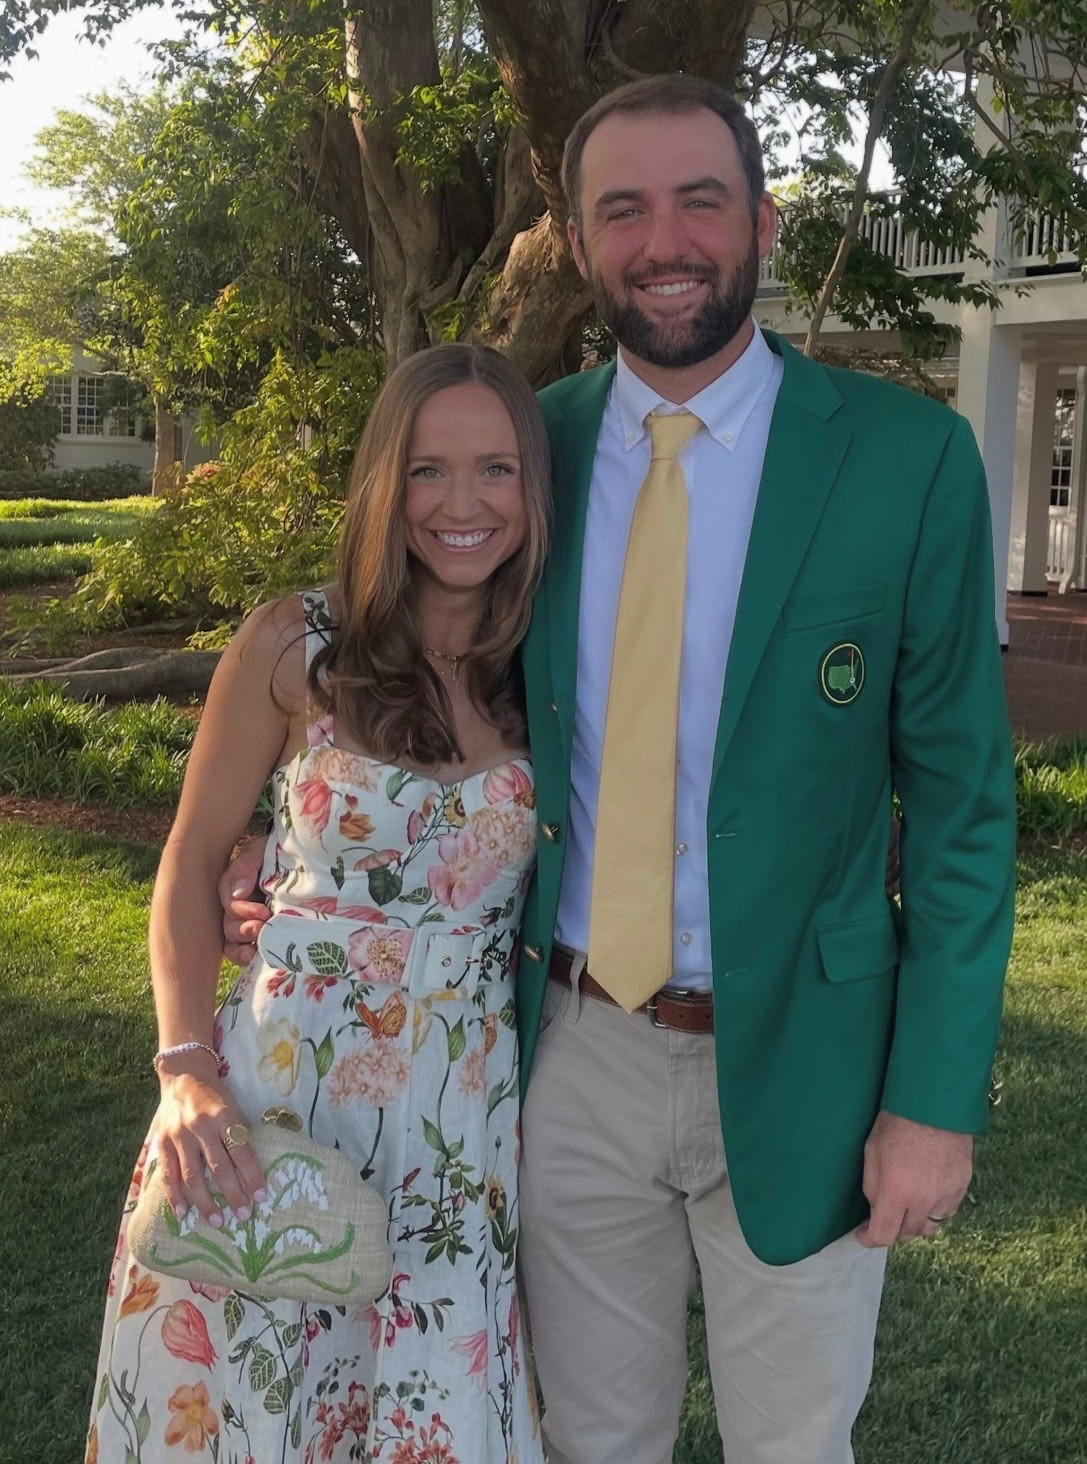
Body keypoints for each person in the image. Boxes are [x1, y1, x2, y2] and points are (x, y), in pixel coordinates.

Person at [222, 75, 1017, 1464]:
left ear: (761, 220)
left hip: (811, 1060)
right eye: (623, 209)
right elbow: (409, 677)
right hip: (565, 1048)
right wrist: (288, 861)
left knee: (790, 1446)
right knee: (590, 1443)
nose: (666, 239)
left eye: (698, 200)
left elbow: (959, 809)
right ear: (581, 244)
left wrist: (933, 1099)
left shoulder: (906, 461)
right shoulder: (527, 453)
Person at [86, 344, 550, 1464]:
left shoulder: (550, 664)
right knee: (255, 1406)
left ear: (534, 487)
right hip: (273, 1104)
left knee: (426, 1409)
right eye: (428, 470)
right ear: (384, 482)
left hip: (457, 1123)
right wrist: (185, 1072)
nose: (461, 504)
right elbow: (195, 860)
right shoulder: (296, 643)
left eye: (495, 469)